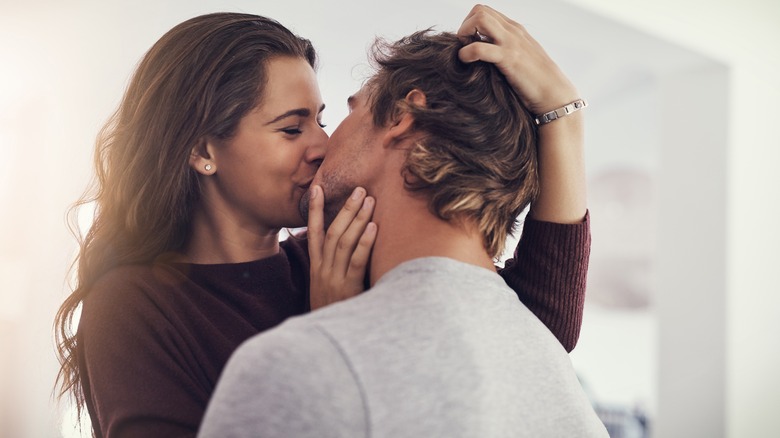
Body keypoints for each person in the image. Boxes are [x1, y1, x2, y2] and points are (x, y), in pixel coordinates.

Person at [54, 6, 590, 438]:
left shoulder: (336, 248)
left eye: (323, 119)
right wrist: (330, 332)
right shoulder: (134, 307)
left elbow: (529, 325)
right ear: (202, 149)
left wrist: (562, 118)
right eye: (292, 129)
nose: (321, 145)